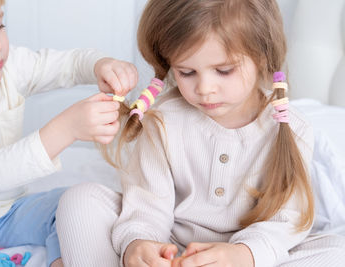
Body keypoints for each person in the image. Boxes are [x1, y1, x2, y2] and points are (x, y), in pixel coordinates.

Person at [55, 0, 345, 266]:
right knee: (80, 200)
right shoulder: (164, 121)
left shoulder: (291, 128)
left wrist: (245, 254)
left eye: (224, 70)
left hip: (248, 258)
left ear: (262, 58)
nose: (204, 88)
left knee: (337, 252)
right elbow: (146, 204)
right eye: (187, 73)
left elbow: (287, 219)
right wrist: (139, 243)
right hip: (172, 250)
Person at [0, 0, 138, 266]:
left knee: (76, 206)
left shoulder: (9, 67)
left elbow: (67, 65)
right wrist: (66, 128)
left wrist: (101, 65)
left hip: (11, 212)